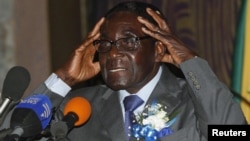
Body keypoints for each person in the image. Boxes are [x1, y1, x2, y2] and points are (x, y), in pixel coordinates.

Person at [7, 1, 248, 141]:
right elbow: (13, 134)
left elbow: (232, 133)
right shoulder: (78, 108)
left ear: (159, 48)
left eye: (129, 41)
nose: (113, 54)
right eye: (105, 44)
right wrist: (64, 78)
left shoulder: (193, 101)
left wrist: (190, 62)